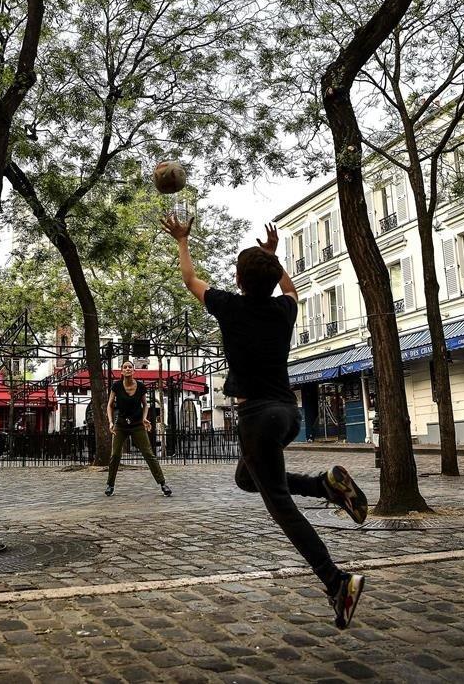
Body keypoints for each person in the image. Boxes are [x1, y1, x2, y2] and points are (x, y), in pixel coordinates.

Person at [161, 214, 370, 630]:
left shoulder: (230, 306)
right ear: (272, 281)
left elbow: (188, 279)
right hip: (287, 414)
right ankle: (322, 485)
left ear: (238, 280)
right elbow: (290, 288)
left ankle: (337, 581)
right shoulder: (283, 309)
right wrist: (274, 260)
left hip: (256, 417)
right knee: (246, 479)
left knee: (281, 508)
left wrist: (183, 239)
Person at [105, 360, 172, 497]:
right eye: (125, 367)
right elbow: (110, 405)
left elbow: (145, 405)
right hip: (121, 425)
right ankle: (110, 485)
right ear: (122, 371)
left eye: (130, 367)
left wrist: (144, 418)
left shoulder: (141, 386)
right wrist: (111, 422)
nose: (128, 369)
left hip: (137, 425)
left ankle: (163, 483)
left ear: (133, 371)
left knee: (148, 453)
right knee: (115, 455)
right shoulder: (116, 386)